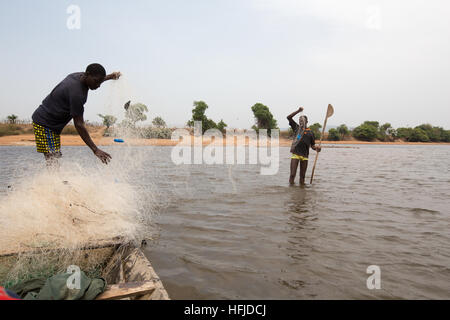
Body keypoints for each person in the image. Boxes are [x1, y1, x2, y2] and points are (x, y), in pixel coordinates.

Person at [31, 63, 121, 166]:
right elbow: (79, 124)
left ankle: (55, 180)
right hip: (44, 123)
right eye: (96, 82)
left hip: (52, 125)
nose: (98, 86)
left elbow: (96, 78)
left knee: (54, 156)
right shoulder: (77, 94)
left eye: (100, 82)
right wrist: (95, 149)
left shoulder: (78, 76)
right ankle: (53, 181)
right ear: (87, 74)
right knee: (52, 157)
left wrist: (110, 76)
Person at [287, 107, 321, 185]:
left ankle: (302, 192)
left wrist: (317, 149)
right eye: (300, 121)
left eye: (302, 121)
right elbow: (289, 117)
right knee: (292, 175)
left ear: (307, 121)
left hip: (305, 156)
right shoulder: (296, 128)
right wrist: (298, 111)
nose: (301, 122)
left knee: (302, 176)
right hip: (296, 154)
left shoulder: (311, 133)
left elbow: (312, 146)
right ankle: (291, 191)